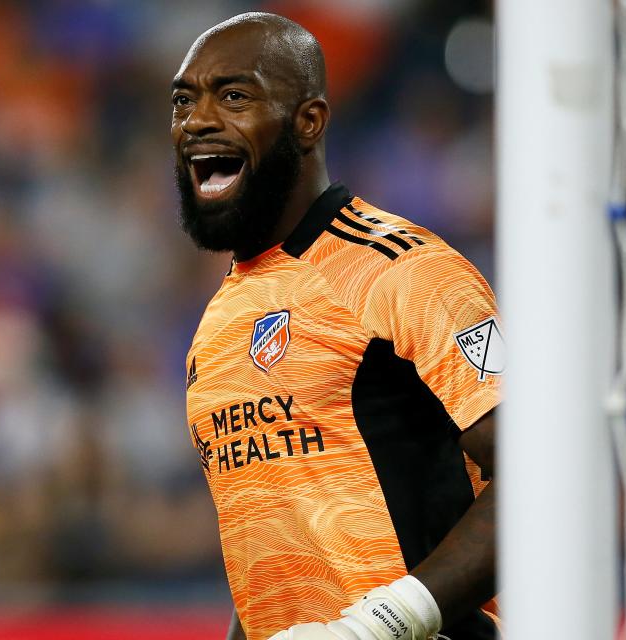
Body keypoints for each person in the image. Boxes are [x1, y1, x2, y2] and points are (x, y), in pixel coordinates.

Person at [173, 13, 502, 640]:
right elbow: (274, 566)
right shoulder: (218, 324)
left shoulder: (406, 271)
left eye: (234, 96)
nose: (198, 120)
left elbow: (539, 476)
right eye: (184, 101)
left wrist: (382, 624)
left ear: (309, 121)